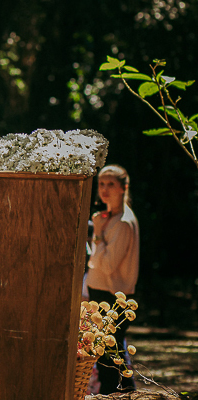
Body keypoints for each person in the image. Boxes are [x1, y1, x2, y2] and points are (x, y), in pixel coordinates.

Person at [86, 164, 139, 393]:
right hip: (101, 295)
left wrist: (97, 233)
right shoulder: (111, 217)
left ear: (123, 188)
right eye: (101, 183)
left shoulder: (123, 222)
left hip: (113, 299)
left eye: (111, 184)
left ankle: (123, 396)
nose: (104, 189)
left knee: (110, 362)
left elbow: (105, 265)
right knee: (108, 359)